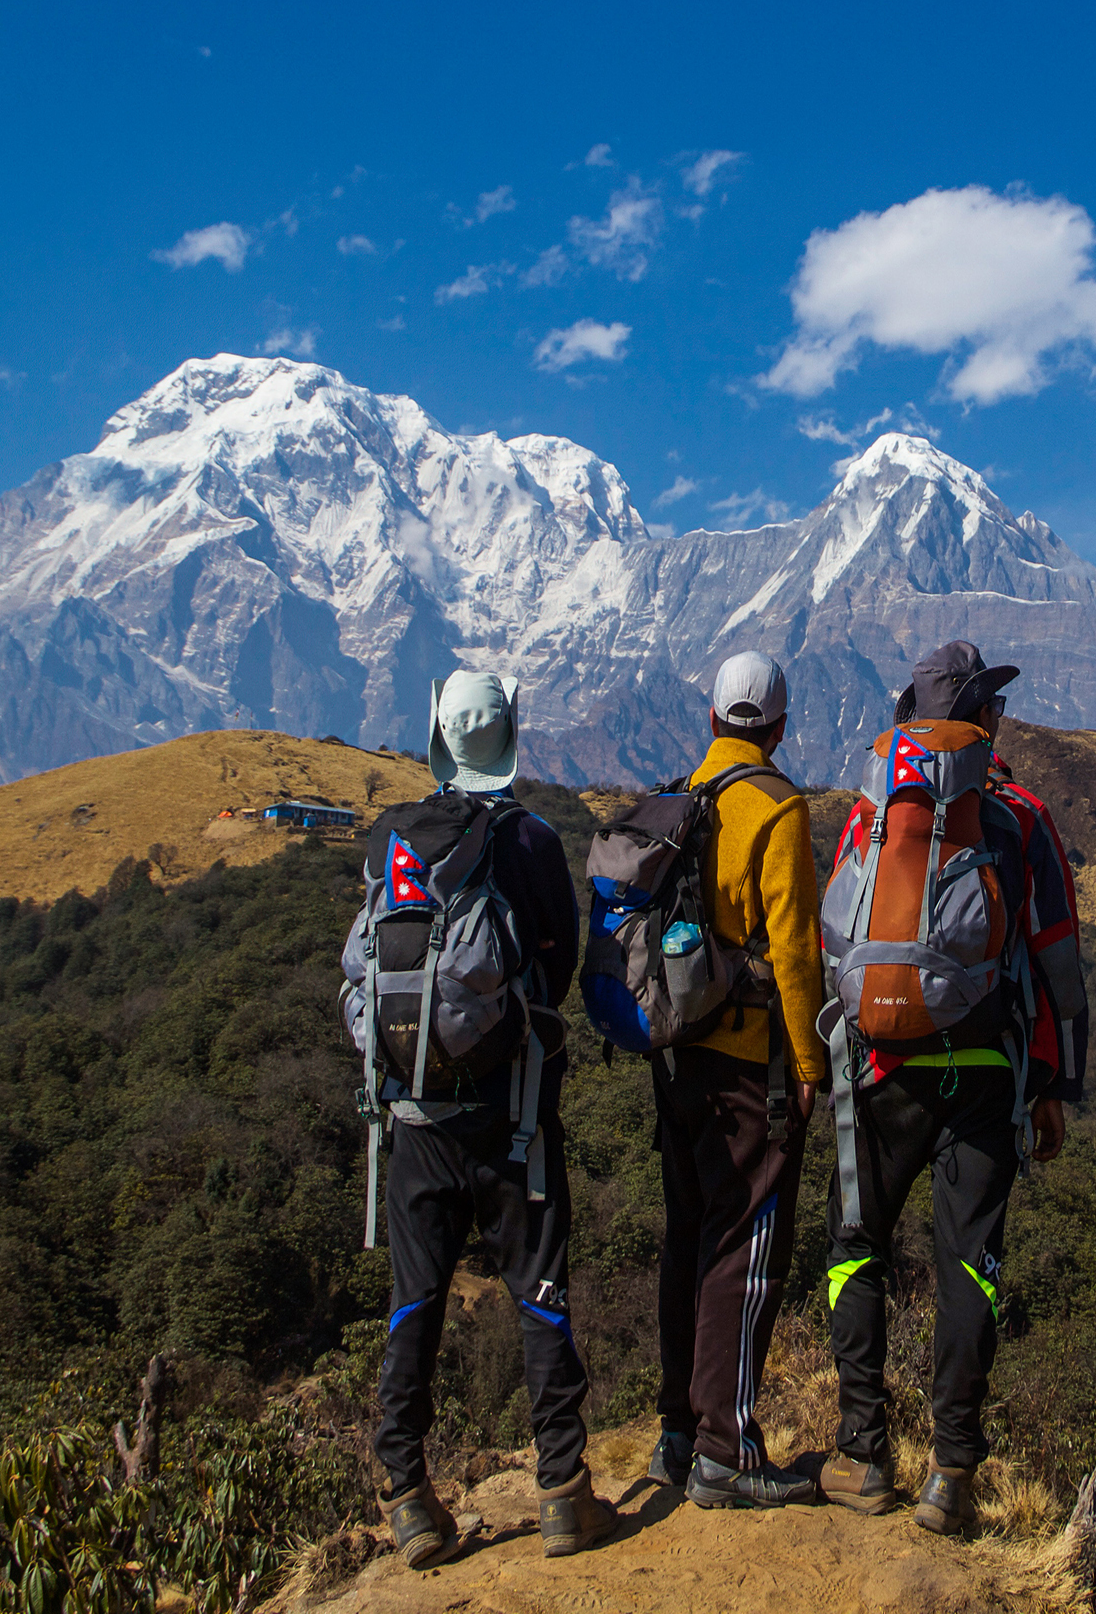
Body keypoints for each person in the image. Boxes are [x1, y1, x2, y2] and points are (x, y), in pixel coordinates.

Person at [346, 671, 618, 1565]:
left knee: (414, 1303)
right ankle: (562, 1494)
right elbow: (563, 960)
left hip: (412, 1119)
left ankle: (407, 1496)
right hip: (512, 1117)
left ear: (437, 738)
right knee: (539, 1293)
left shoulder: (391, 839)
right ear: (510, 738)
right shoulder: (532, 840)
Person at [820, 641, 1090, 1535]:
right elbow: (1056, 962)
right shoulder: (1018, 818)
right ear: (986, 721)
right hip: (982, 1073)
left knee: (857, 1245)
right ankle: (952, 1475)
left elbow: (840, 947)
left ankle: (863, 1454)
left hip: (879, 1069)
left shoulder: (869, 814)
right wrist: (1054, 1082)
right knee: (968, 1264)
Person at [647, 652, 833, 1508]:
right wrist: (808, 1065)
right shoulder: (778, 808)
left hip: (676, 1055)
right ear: (782, 728)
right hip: (746, 1064)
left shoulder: (682, 797)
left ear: (714, 720)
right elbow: (796, 950)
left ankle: (678, 1434)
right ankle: (728, 1451)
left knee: (689, 1236)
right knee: (748, 1247)